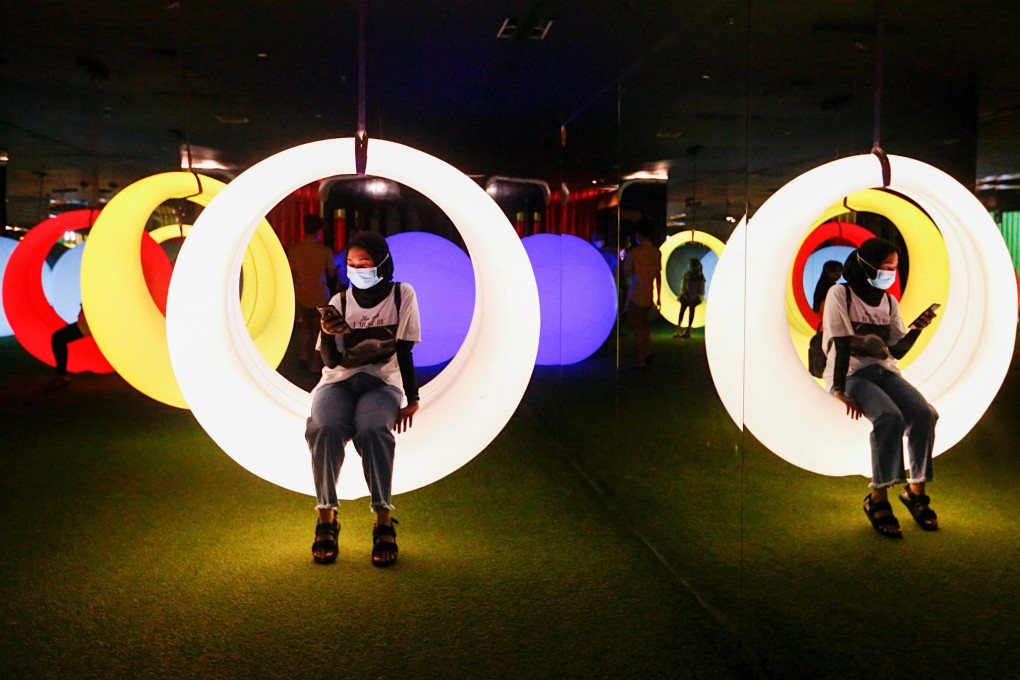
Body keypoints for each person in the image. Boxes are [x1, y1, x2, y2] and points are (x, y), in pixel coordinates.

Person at [305, 231, 421, 567]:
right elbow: (329, 362)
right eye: (352, 264)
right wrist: (327, 333)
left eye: (365, 263)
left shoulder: (402, 295)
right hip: (339, 381)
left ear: (382, 263)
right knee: (323, 427)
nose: (357, 269)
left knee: (373, 429)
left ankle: (383, 519)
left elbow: (404, 351)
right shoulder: (340, 300)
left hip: (381, 382)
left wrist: (412, 398)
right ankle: (326, 517)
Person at [821, 237, 939, 538]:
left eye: (894, 268)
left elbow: (895, 351)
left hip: (885, 372)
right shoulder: (840, 293)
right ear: (867, 264)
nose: (890, 272)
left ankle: (915, 491)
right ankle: (878, 498)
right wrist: (838, 389)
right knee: (890, 417)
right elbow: (842, 343)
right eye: (886, 266)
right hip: (852, 374)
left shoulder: (889, 301)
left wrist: (917, 328)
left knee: (925, 414)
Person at [287, 214, 337, 372]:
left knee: (304, 328)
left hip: (302, 294)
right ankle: (315, 364)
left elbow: (292, 273)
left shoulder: (295, 250)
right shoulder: (324, 251)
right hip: (320, 295)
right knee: (319, 330)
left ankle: (302, 356)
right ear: (319, 231)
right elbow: (331, 273)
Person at [621, 219, 662, 367]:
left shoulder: (634, 253)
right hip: (648, 293)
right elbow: (658, 275)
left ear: (639, 234)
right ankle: (647, 352)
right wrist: (659, 295)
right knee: (645, 326)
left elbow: (626, 273)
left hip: (636, 294)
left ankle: (641, 359)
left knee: (638, 328)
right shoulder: (656, 252)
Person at [44, 305, 90, 392]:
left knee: (59, 337)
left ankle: (62, 376)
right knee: (59, 337)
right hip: (95, 321)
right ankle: (62, 375)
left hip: (96, 321)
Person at [673, 257, 705, 338]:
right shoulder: (686, 276)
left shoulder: (700, 278)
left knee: (691, 309)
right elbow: (683, 287)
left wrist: (694, 297)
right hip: (686, 296)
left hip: (694, 298)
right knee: (683, 309)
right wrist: (685, 294)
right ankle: (678, 328)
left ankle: (688, 330)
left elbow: (701, 291)